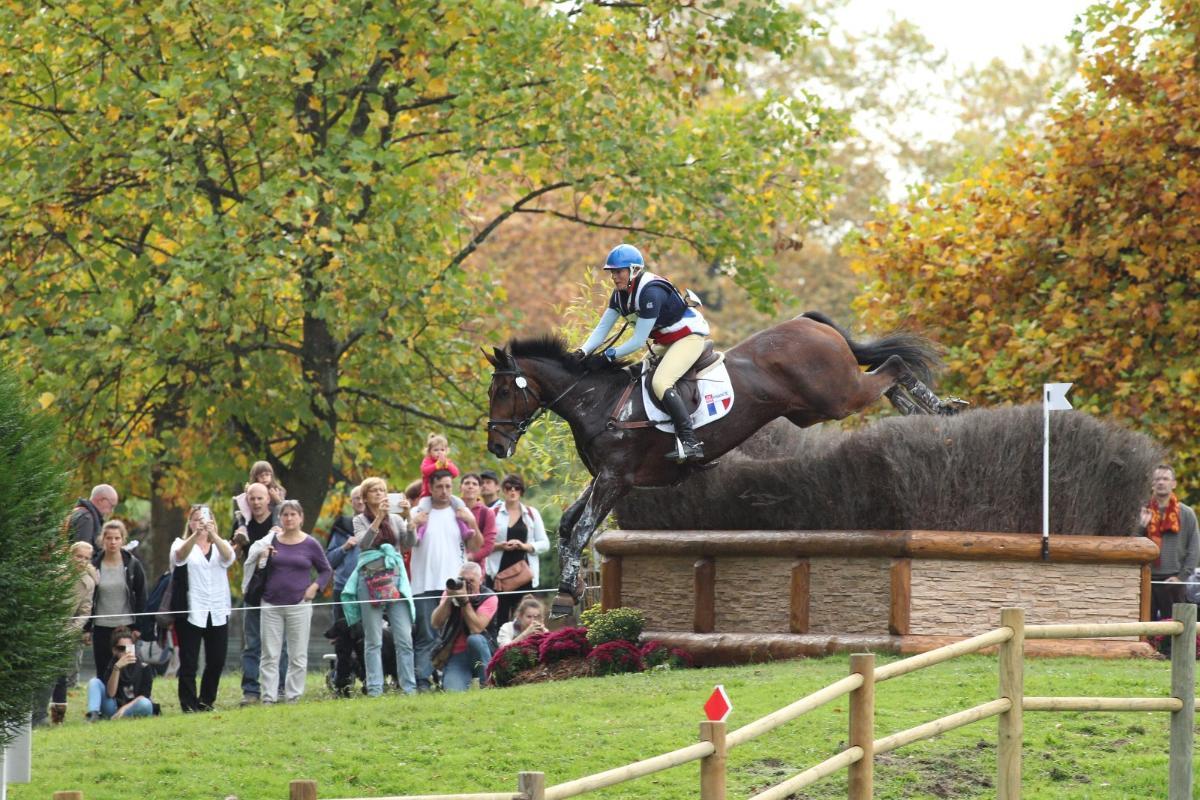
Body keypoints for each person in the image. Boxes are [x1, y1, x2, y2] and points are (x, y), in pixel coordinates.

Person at [574, 243, 711, 461]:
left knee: (661, 383)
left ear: (634, 270)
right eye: (612, 273)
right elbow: (602, 329)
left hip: (688, 337)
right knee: (637, 379)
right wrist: (582, 351)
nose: (614, 277)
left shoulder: (651, 293)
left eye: (618, 272)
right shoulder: (619, 295)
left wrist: (608, 355)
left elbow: (638, 341)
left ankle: (690, 441)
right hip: (666, 341)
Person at [247, 500, 331, 704]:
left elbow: (326, 570)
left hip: (299, 604)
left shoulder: (310, 543)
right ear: (279, 518)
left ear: (301, 518)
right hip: (271, 604)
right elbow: (256, 568)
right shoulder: (270, 541)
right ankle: (269, 697)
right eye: (285, 515)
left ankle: (293, 697)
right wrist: (263, 557)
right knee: (269, 654)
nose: (289, 518)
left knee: (297, 655)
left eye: (293, 514)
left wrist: (314, 587)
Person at [342, 477, 417, 696]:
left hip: (395, 581)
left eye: (382, 490)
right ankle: (375, 688)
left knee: (404, 637)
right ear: (365, 497)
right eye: (374, 490)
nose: (379, 493)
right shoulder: (359, 519)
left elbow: (408, 544)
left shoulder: (396, 519)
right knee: (373, 638)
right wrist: (379, 518)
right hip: (369, 581)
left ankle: (408, 687)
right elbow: (364, 543)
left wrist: (409, 517)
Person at [410, 469, 483, 691]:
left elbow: (476, 546)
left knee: (453, 633)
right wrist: (412, 523)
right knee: (426, 635)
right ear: (430, 488)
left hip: (454, 585)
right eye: (439, 487)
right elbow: (405, 544)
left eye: (448, 486)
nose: (444, 491)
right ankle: (422, 681)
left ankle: (449, 679)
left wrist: (472, 522)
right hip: (423, 584)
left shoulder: (460, 512)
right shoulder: (418, 511)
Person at [170, 504, 235, 712]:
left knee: (216, 660)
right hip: (191, 610)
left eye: (205, 519)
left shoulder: (221, 544)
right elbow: (179, 557)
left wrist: (213, 535)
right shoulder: (180, 543)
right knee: (189, 661)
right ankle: (188, 704)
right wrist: (195, 536)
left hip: (217, 609)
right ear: (190, 523)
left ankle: (206, 701)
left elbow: (229, 558)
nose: (201, 522)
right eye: (197, 519)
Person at [231, 481, 283, 705]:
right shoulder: (242, 523)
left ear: (268, 499)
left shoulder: (279, 521)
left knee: (280, 643)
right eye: (252, 498)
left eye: (260, 498)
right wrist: (237, 545)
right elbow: (233, 556)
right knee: (252, 643)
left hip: (278, 588)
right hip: (253, 589)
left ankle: (281, 688)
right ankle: (250, 690)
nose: (256, 502)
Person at [43, 541, 97, 725]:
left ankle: (58, 715)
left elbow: (85, 612)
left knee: (61, 674)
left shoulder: (88, 583)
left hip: (66, 631)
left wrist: (70, 631)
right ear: (70, 555)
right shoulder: (55, 573)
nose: (82, 561)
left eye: (86, 558)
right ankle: (37, 713)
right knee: (43, 672)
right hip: (46, 626)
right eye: (78, 556)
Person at [488, 474, 550, 629]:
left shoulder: (531, 513)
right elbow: (482, 544)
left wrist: (524, 546)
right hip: (499, 575)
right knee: (500, 620)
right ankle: (501, 645)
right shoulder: (492, 513)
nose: (512, 491)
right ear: (503, 490)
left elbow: (544, 544)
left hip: (524, 575)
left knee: (525, 620)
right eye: (509, 488)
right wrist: (500, 546)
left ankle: (524, 644)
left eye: (517, 488)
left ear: (521, 491)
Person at [1139, 464, 1199, 622]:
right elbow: (1132, 545)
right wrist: (1141, 527)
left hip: (1174, 580)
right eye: (1157, 479)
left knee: (1177, 628)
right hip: (1147, 578)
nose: (1161, 482)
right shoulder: (1143, 512)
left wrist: (1181, 577)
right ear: (1152, 483)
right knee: (1145, 628)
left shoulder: (1186, 513)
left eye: (1165, 479)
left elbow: (1194, 548)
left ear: (1173, 484)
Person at [87, 520, 146, 674]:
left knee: (127, 670)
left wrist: (138, 627)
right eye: (109, 538)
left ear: (122, 540)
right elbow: (88, 598)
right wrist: (87, 628)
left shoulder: (133, 564)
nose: (113, 542)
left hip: (126, 627)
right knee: (103, 671)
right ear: (102, 540)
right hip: (101, 626)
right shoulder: (94, 565)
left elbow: (141, 596)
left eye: (117, 538)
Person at [430, 562, 497, 691]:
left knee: (475, 639)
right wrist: (449, 598)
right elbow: (435, 623)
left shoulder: (489, 597)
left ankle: (488, 683)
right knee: (453, 692)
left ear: (481, 580)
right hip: (457, 654)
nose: (466, 584)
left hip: (482, 652)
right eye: (463, 580)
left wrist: (464, 601)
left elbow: (476, 629)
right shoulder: (451, 592)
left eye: (471, 581)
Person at [85, 626, 154, 721]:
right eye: (122, 648)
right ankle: (93, 715)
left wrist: (124, 709)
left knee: (145, 704)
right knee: (94, 682)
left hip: (132, 706)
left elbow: (144, 695)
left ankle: (121, 716)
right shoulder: (112, 664)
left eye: (129, 648)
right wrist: (116, 669)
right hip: (113, 706)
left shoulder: (144, 667)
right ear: (114, 650)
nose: (126, 652)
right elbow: (111, 693)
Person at [326, 485, 365, 625]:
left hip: (372, 588)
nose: (360, 501)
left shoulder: (380, 525)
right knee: (342, 632)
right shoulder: (342, 525)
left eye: (363, 497)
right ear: (350, 501)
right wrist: (344, 547)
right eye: (357, 498)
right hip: (343, 588)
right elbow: (329, 561)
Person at [460, 473, 497, 570]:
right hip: (450, 565)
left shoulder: (487, 513)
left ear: (480, 489)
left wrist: (469, 557)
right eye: (467, 483)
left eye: (474, 484)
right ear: (460, 488)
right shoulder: (452, 509)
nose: (470, 486)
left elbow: (488, 546)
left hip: (475, 570)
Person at [232, 461, 285, 527]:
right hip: (255, 516)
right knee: (241, 512)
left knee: (278, 508)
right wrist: (248, 493)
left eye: (267, 475)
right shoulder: (252, 489)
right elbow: (246, 505)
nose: (264, 478)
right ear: (256, 477)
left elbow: (284, 507)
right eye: (261, 476)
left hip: (272, 516)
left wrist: (277, 498)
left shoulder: (277, 489)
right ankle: (243, 528)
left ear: (271, 476)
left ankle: (276, 527)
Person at [65, 484, 119, 548]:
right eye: (112, 506)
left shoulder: (79, 512)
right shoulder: (86, 519)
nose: (112, 511)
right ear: (102, 501)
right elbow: (83, 551)